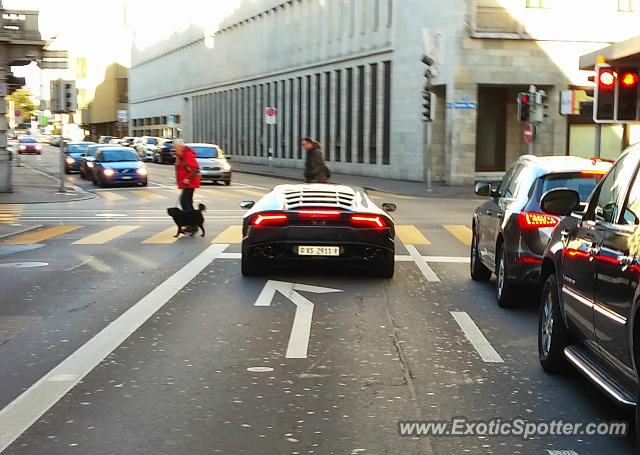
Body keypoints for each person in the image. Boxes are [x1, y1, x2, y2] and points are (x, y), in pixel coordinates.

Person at [174, 139, 201, 212]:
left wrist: (188, 179)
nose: (175, 149)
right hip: (186, 182)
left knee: (184, 201)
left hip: (190, 182)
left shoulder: (188, 155)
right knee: (187, 201)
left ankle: (190, 219)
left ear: (181, 147)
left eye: (176, 147)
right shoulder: (181, 155)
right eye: (175, 148)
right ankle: (193, 219)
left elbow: (195, 168)